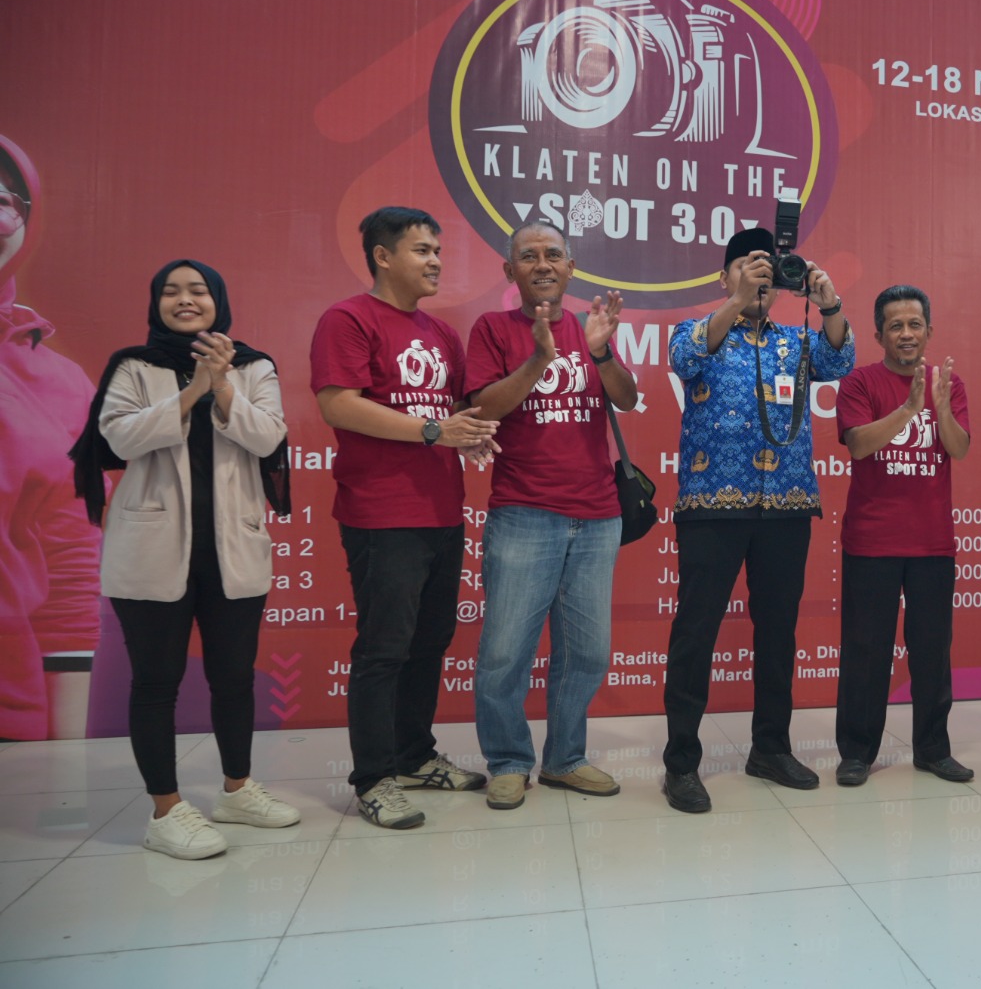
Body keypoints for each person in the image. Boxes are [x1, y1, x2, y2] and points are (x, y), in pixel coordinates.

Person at [69, 260, 298, 859]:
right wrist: (193, 388)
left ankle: (237, 791)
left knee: (234, 679)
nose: (185, 299)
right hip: (150, 551)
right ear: (156, 303)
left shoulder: (254, 366)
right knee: (156, 683)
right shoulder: (133, 366)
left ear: (218, 301)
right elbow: (119, 438)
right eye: (171, 291)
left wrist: (222, 385)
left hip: (232, 550)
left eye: (198, 290)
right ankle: (165, 811)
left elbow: (268, 438)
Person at [310, 206, 499, 830]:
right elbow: (339, 405)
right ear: (383, 256)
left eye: (437, 250)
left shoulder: (441, 333)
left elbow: (453, 413)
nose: (435, 261)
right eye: (422, 250)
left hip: (442, 509)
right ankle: (373, 779)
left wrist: (465, 434)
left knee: (429, 641)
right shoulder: (348, 319)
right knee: (384, 648)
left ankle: (414, 756)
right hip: (381, 513)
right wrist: (432, 430)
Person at [661, 226, 854, 813]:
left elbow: (839, 359)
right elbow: (684, 359)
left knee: (777, 633)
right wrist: (739, 300)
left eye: (769, 268)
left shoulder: (795, 341)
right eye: (749, 266)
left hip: (787, 507)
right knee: (696, 632)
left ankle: (770, 748)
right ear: (724, 276)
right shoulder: (697, 331)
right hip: (710, 505)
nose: (762, 277)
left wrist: (830, 305)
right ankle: (681, 763)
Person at [467, 220, 638, 809]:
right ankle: (508, 761)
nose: (542, 264)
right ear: (509, 270)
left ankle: (565, 759)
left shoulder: (591, 326)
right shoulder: (492, 329)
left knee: (587, 652)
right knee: (504, 653)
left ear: (570, 267)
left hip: (597, 515)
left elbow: (626, 398)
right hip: (524, 513)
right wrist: (539, 360)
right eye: (529, 255)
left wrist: (601, 351)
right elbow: (484, 408)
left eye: (553, 254)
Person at [833, 285, 972, 786]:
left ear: (929, 331)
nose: (907, 334)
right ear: (879, 335)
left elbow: (959, 448)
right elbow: (858, 444)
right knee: (866, 651)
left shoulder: (948, 384)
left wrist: (939, 408)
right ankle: (856, 753)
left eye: (915, 325)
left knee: (932, 651)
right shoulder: (859, 382)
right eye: (896, 326)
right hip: (872, 542)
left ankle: (933, 750)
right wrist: (909, 409)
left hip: (932, 542)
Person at [1, 135, 103, 740]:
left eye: (5, 200)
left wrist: (65, 772)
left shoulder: (62, 384)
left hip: (10, 715)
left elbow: (69, 570)